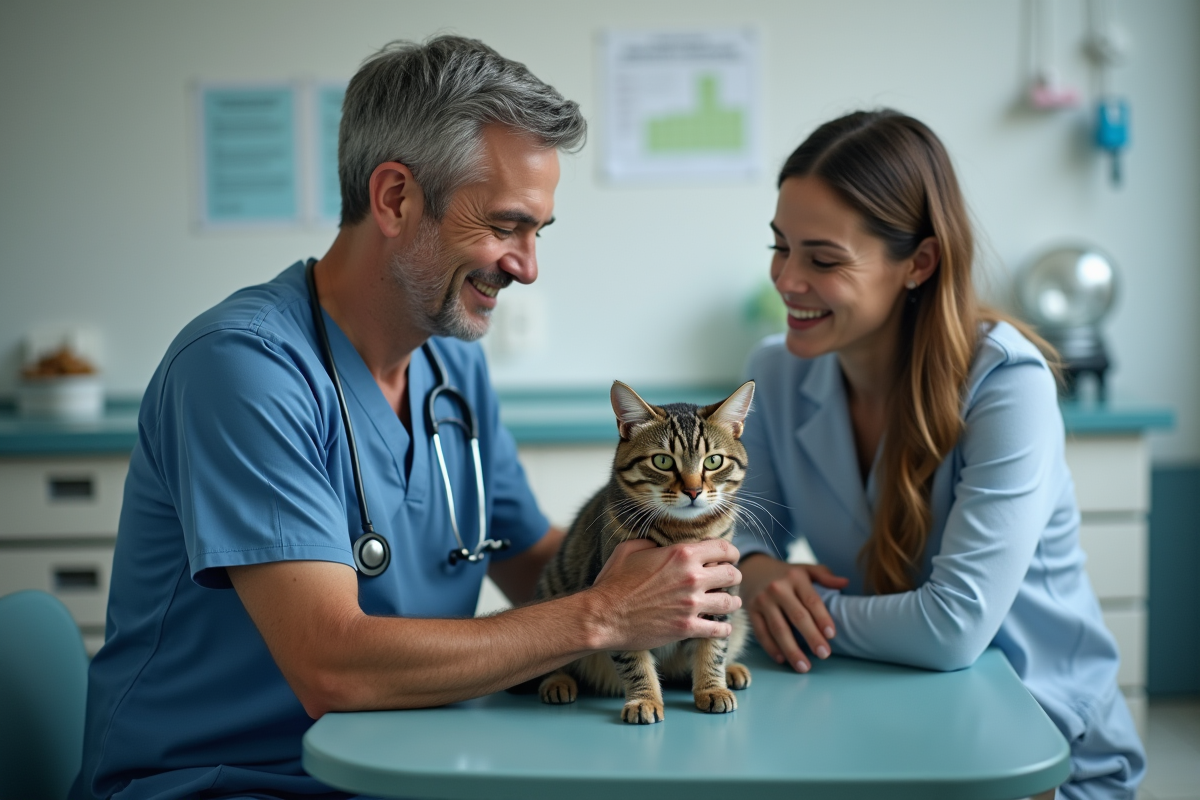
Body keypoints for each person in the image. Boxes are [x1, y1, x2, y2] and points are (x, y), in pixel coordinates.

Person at [72, 36, 742, 800]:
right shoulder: (242, 370)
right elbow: (332, 667)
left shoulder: (452, 364)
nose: (527, 267)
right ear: (395, 199)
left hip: (413, 760)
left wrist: (712, 576)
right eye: (505, 226)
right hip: (228, 783)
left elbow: (538, 562)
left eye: (538, 232)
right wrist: (604, 616)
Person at [734, 110, 1145, 799]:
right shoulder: (775, 372)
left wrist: (789, 607)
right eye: (780, 247)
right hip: (891, 711)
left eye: (823, 259)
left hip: (1046, 744)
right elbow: (743, 528)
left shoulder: (1007, 383)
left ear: (918, 263)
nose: (787, 279)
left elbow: (951, 628)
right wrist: (753, 567)